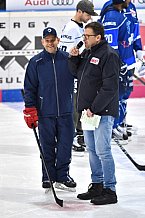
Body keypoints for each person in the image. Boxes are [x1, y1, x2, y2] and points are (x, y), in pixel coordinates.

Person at [68, 21, 120, 205]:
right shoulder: (89, 53)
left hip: (101, 112)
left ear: (98, 37)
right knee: (92, 150)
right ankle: (97, 185)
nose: (84, 39)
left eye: (87, 36)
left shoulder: (109, 55)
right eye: (84, 36)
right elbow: (77, 74)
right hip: (88, 112)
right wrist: (74, 58)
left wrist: (94, 108)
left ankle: (110, 189)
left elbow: (110, 88)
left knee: (103, 151)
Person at [23, 27, 76, 192]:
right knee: (47, 146)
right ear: (42, 42)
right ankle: (48, 176)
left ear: (58, 40)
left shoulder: (68, 59)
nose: (50, 43)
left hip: (66, 111)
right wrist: (30, 109)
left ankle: (62, 176)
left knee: (65, 146)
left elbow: (82, 77)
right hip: (45, 112)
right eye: (47, 40)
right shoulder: (36, 62)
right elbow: (29, 88)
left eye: (53, 40)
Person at [99, 0, 144, 141]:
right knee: (116, 95)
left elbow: (134, 29)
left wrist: (138, 50)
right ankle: (113, 125)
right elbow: (109, 40)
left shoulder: (131, 7)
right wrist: (116, 63)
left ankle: (120, 122)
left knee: (125, 93)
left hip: (129, 61)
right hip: (119, 63)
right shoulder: (110, 9)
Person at [59, 0, 98, 152]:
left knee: (81, 103)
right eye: (87, 14)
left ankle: (80, 134)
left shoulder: (79, 27)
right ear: (79, 11)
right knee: (75, 105)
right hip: (72, 70)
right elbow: (68, 53)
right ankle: (73, 136)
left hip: (79, 69)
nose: (89, 18)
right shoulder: (71, 28)